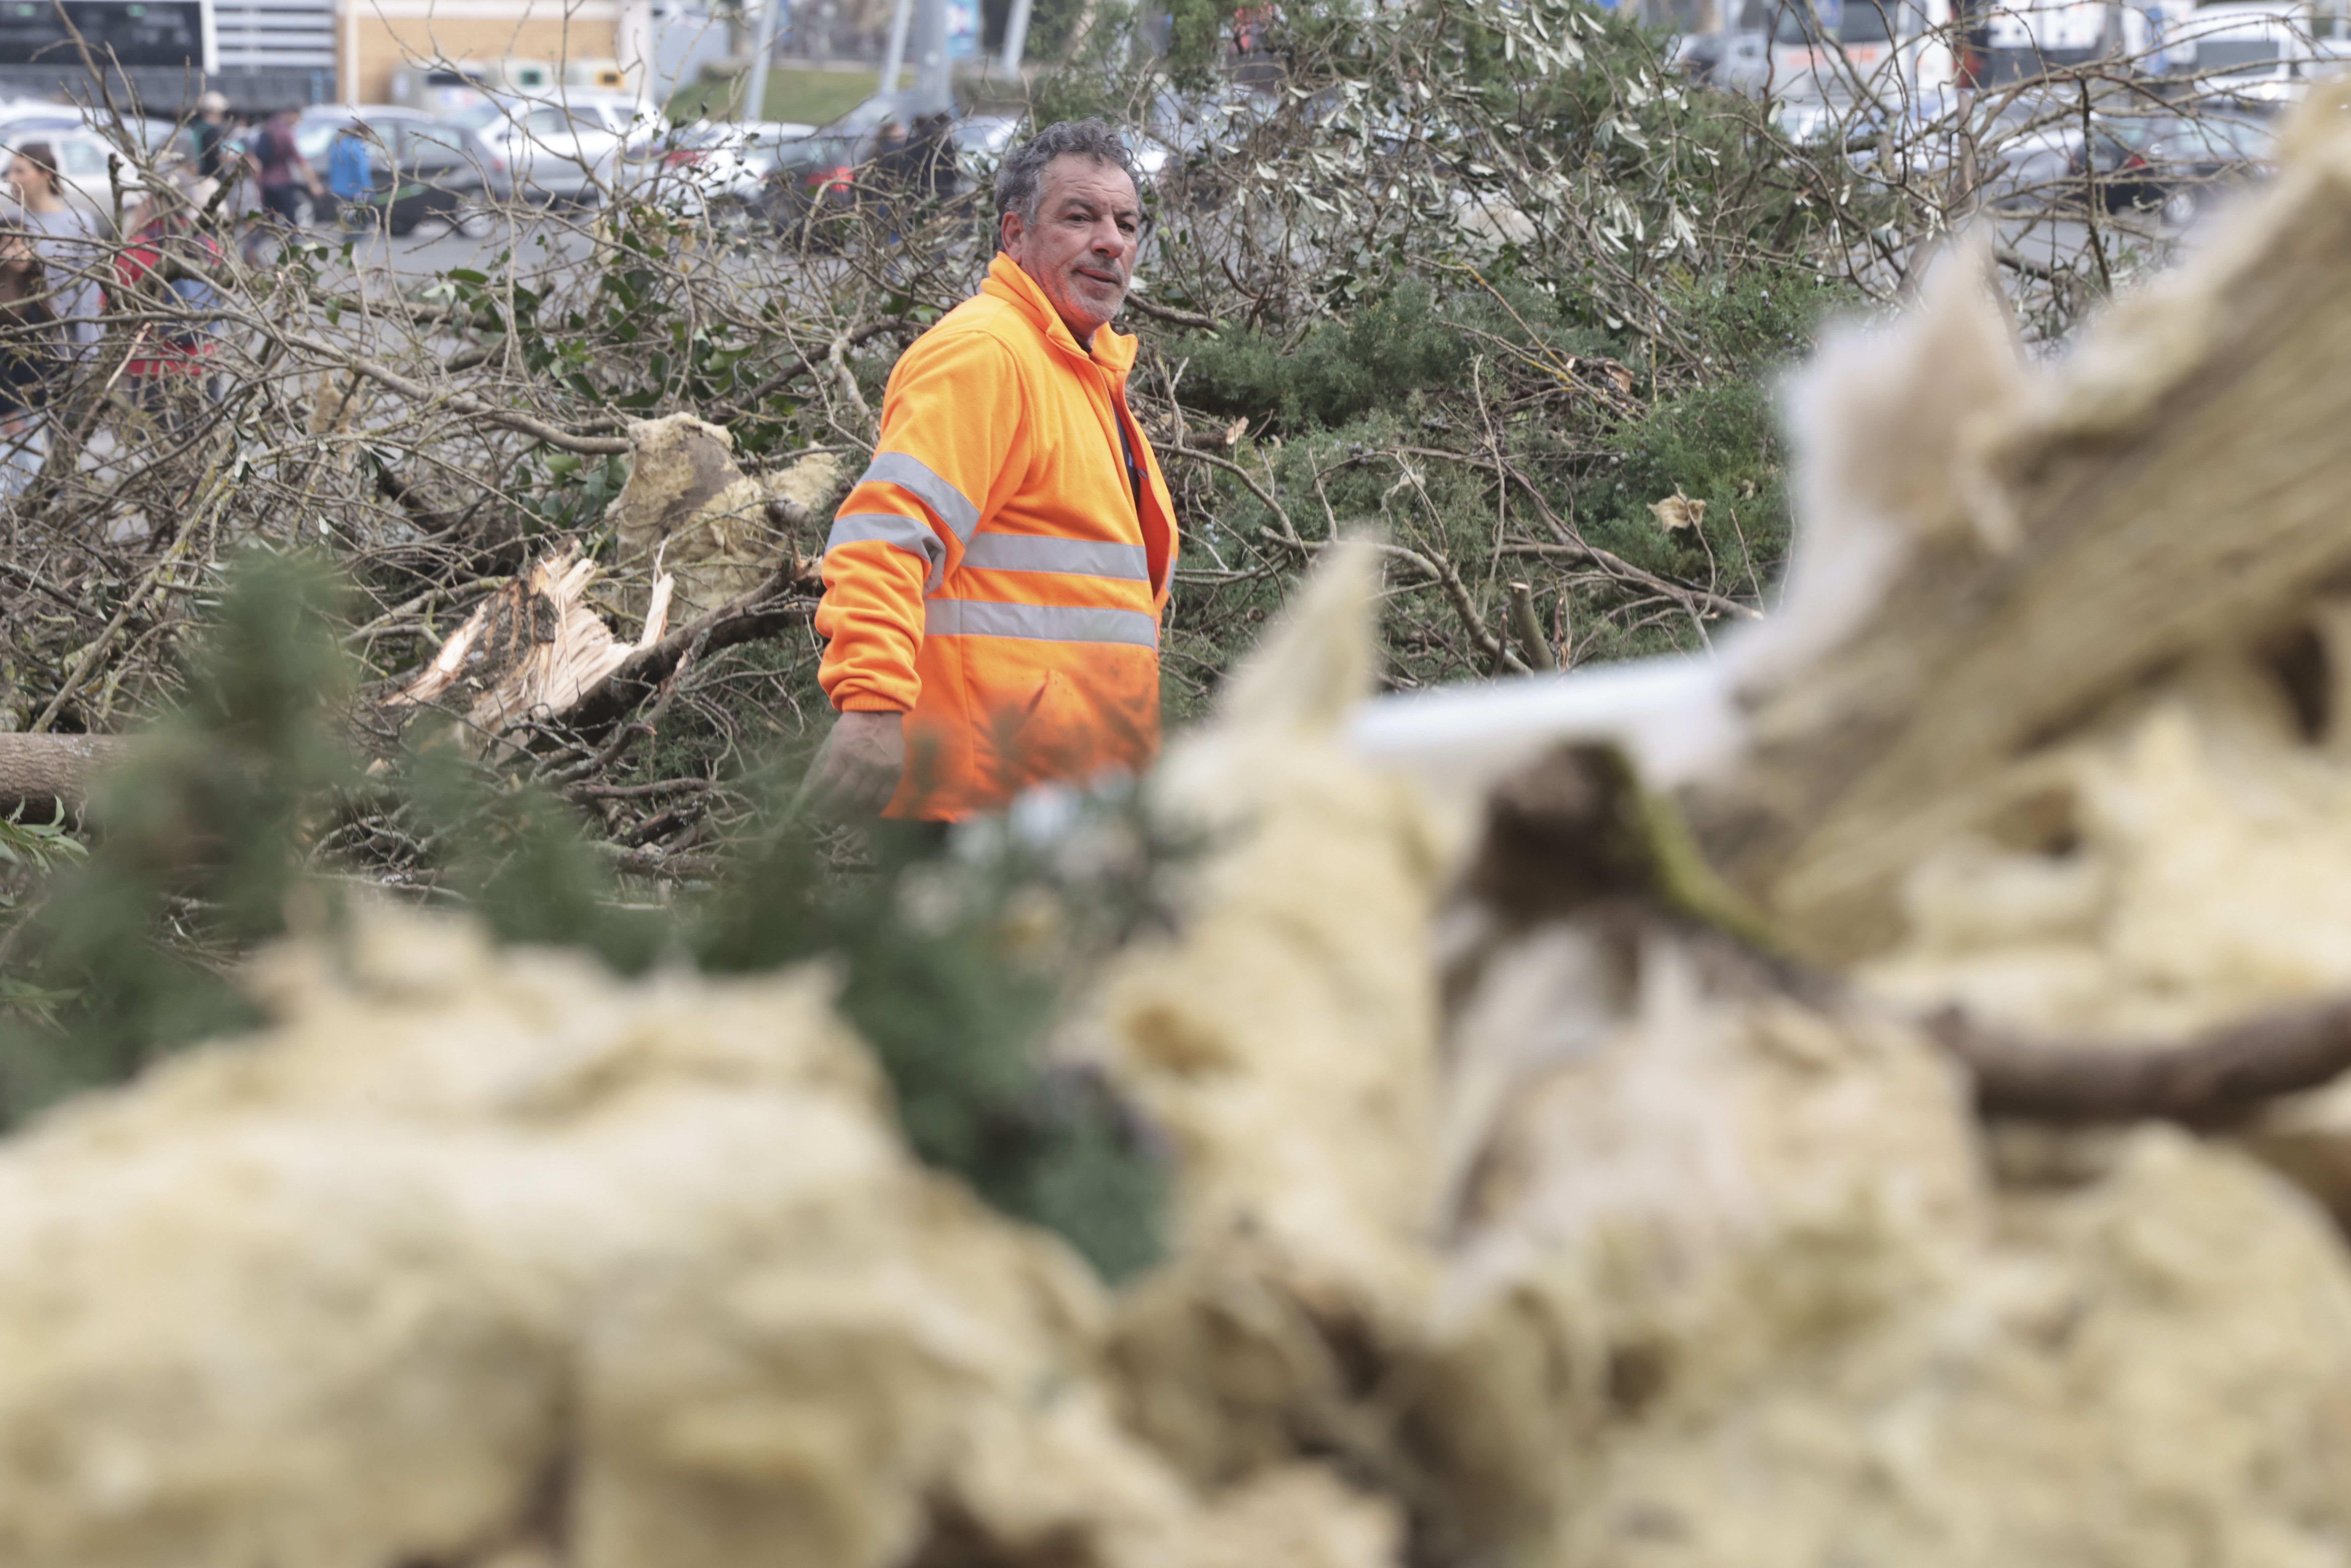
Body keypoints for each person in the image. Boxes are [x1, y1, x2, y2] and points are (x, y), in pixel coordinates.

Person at [806, 118, 1176, 821]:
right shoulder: (990, 355)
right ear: (1014, 235)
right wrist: (873, 705)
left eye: (1127, 223)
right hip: (982, 801)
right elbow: (885, 535)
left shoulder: (1078, 371)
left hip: (1065, 798)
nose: (1111, 241)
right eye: (1079, 217)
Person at [110, 176, 226, 427]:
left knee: (158, 448)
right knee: (202, 443)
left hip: (152, 369)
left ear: (152, 202)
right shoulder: (210, 247)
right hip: (202, 362)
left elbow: (110, 306)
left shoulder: (136, 250)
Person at [4, 145, 97, 359]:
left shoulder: (78, 222)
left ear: (45, 176)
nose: (11, 178)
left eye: (20, 171)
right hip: (22, 342)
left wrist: (89, 352)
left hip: (66, 339)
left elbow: (88, 291)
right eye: (10, 171)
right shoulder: (10, 224)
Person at [0, 227, 55, 491]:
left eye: (24, 244)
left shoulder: (34, 290)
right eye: (11, 245)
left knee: (33, 477)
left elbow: (47, 347)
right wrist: (8, 409)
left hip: (36, 403)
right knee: (11, 481)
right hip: (9, 406)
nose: (20, 252)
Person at [242, 107, 323, 262]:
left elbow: (257, 161)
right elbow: (299, 160)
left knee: (268, 222)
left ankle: (250, 252)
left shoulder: (268, 129)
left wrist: (259, 186)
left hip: (266, 183)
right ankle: (292, 258)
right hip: (283, 183)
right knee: (291, 223)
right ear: (291, 115)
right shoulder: (285, 134)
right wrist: (313, 183)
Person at [191, 90, 233, 181]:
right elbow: (217, 155)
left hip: (199, 175)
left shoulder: (198, 129)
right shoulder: (211, 131)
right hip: (210, 177)